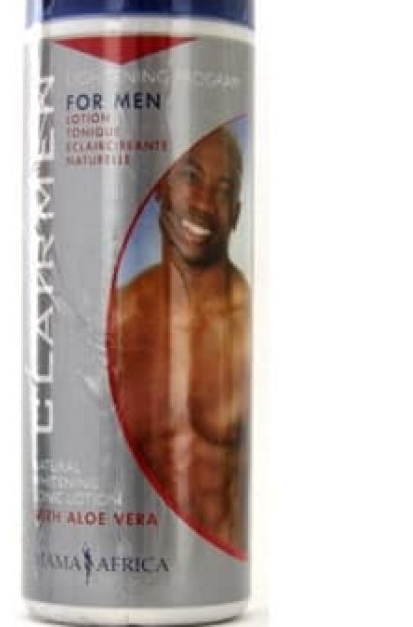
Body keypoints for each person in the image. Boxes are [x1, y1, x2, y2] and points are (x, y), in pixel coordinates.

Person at [109, 126, 250, 551]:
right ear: (159, 189)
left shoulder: (250, 327)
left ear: (237, 213)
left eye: (223, 191)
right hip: (118, 563)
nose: (204, 203)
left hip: (214, 567)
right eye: (191, 177)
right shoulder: (121, 315)